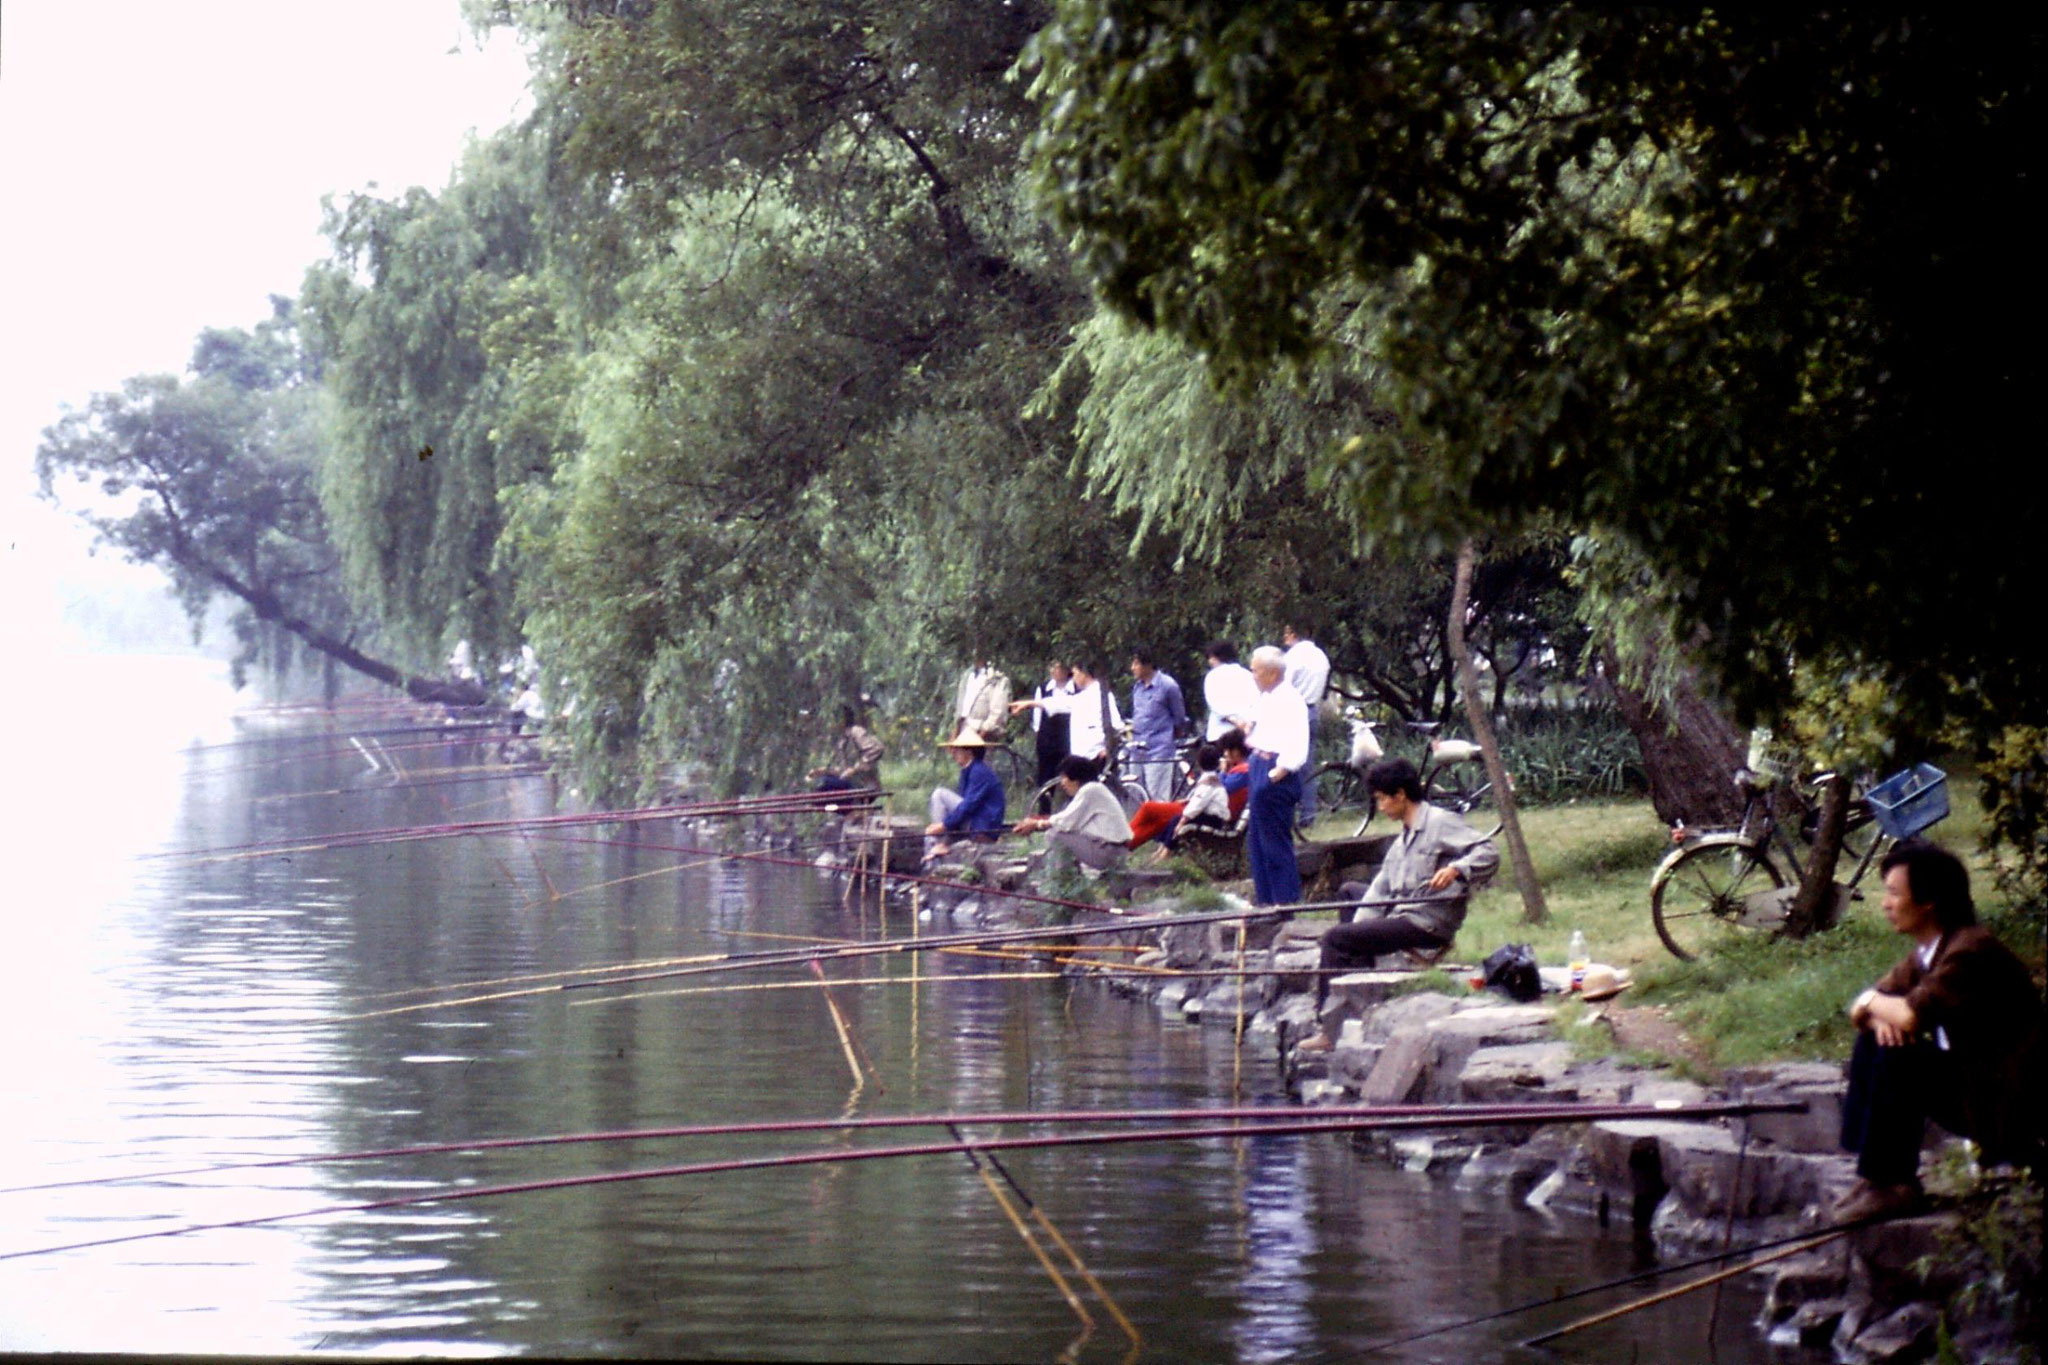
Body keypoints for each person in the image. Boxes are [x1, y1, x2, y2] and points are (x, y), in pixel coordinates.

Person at [1834, 839, 2043, 1221]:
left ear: (1929, 900)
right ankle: (1876, 1178)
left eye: (1894, 893)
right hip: (1975, 1089)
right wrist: (1872, 1011)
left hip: (2009, 1107)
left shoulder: (1971, 950)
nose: (1885, 903)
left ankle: (1896, 1185)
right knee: (1877, 1035)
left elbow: (1911, 1016)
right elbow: (1865, 1011)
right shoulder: (1930, 953)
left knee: (1900, 1053)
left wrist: (1869, 1003)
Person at [1296, 757, 1499, 1053]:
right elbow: (1379, 889)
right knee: (1350, 892)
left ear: (1400, 795)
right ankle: (1358, 985)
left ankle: (1329, 1030)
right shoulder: (1402, 837)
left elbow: (1489, 851)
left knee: (1335, 939)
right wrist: (1359, 929)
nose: (1379, 807)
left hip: (1427, 923)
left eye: (1381, 799)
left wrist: (1458, 869)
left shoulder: (1440, 823)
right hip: (1402, 912)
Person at [1241, 645, 1312, 906]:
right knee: (1258, 844)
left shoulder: (1290, 701)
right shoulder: (1268, 697)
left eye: (1256, 671)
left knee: (1274, 844)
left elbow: (1297, 744)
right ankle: (1266, 901)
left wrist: (1276, 774)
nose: (1253, 676)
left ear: (1271, 673)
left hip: (1275, 771)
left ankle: (1284, 903)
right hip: (1260, 763)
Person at [1013, 754, 1132, 871]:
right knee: (1060, 833)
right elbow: (1070, 821)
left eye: (1064, 777)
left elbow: (1066, 821)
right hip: (1114, 851)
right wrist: (1038, 823)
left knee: (1054, 834)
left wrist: (1037, 824)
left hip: (1109, 852)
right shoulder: (1095, 789)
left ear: (1075, 778)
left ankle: (1060, 879)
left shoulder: (1090, 790)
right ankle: (1070, 877)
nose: (1062, 783)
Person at [1011, 660, 1122, 767]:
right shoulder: (1083, 696)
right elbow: (1060, 703)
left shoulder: (1102, 694)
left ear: (1083, 673)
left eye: (1074, 674)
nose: (1073, 679)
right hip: (1083, 756)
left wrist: (1107, 748)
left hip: (1097, 755)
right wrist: (1029, 703)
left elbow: (1116, 724)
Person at [924, 725, 1007, 862]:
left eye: (957, 750)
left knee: (939, 794)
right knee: (930, 831)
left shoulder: (979, 772)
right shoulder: (968, 770)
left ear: (969, 752)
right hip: (976, 821)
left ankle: (940, 843)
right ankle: (938, 849)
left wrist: (943, 825)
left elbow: (968, 805)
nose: (954, 753)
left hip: (983, 825)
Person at [1281, 622, 1331, 827]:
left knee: (1286, 763)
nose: (1284, 637)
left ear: (1293, 634)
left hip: (1293, 710)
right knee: (1307, 765)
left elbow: (1282, 685)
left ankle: (1288, 813)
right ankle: (1308, 815)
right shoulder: (1321, 656)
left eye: (1286, 633)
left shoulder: (1292, 657)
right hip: (1312, 709)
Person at [1126, 649, 1189, 802]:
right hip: (1137, 749)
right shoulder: (1137, 687)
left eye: (1136, 663)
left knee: (1157, 797)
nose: (1132, 668)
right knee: (1136, 795)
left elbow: (1179, 717)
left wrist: (1169, 736)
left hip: (1159, 750)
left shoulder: (1168, 686)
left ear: (1147, 665)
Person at [810, 704, 885, 792]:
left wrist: (855, 769)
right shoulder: (841, 740)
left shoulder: (856, 731)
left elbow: (877, 749)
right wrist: (823, 771)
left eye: (835, 719)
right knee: (818, 783)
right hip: (850, 784)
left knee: (823, 783)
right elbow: (843, 770)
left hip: (864, 785)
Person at [1030, 660, 1075, 801]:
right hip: (1047, 741)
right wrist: (1040, 734)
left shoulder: (1075, 690)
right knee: (1045, 780)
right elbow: (1037, 717)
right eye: (1052, 667)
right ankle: (1043, 813)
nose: (1054, 670)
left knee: (1070, 777)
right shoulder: (1044, 689)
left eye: (1057, 667)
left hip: (1068, 741)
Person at [1201, 640, 1261, 741]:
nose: (1210, 661)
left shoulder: (1213, 676)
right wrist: (1248, 723)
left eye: (1211, 657)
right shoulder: (1247, 674)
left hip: (1221, 732)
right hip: (1247, 732)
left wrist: (1234, 720)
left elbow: (1215, 704)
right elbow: (1256, 701)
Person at [955, 658, 1013, 743]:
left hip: (984, 735)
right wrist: (955, 733)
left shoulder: (998, 679)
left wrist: (980, 737)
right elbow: (961, 711)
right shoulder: (967, 676)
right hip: (964, 733)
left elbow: (998, 713)